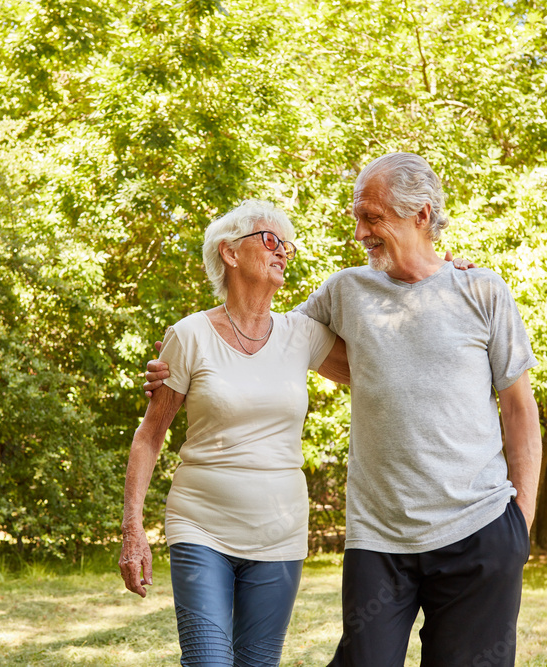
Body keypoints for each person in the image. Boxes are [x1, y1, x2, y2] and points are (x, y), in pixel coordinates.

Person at [145, 153, 542, 667]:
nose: (360, 232)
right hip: (379, 541)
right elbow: (263, 338)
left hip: (480, 530)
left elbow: (519, 412)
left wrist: (520, 527)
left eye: (372, 217)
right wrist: (183, 353)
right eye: (358, 216)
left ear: (421, 215)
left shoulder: (482, 290)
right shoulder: (346, 291)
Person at [118, 199, 350, 667]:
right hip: (201, 525)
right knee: (207, 661)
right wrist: (133, 530)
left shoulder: (301, 334)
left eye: (287, 245)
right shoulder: (189, 336)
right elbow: (150, 435)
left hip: (280, 536)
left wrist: (431, 272)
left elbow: (384, 360)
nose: (282, 251)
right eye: (270, 240)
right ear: (229, 253)